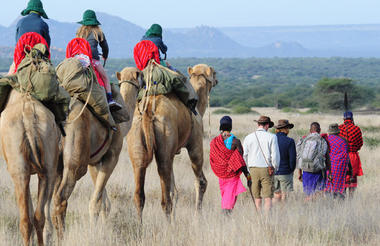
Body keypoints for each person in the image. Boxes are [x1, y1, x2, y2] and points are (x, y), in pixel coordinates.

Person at [76, 9, 122, 111]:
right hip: (93, 61)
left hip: (79, 61)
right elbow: (105, 48)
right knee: (105, 78)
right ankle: (110, 99)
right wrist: (105, 56)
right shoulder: (98, 32)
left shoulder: (79, 32)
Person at [209, 116, 251, 214]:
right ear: (231, 127)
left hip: (221, 176)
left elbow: (213, 158)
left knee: (226, 197)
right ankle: (225, 218)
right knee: (229, 200)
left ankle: (225, 219)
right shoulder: (235, 142)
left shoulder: (214, 141)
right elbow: (240, 160)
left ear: (220, 127)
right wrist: (248, 176)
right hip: (232, 176)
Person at [243, 116, 280, 212]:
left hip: (252, 169)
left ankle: (259, 218)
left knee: (257, 196)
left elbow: (244, 155)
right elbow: (275, 155)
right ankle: (267, 219)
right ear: (267, 125)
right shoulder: (272, 137)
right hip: (266, 169)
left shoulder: (248, 137)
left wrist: (248, 169)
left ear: (258, 124)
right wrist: (275, 167)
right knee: (268, 197)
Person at [9, 0, 50, 75]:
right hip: (38, 59)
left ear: (29, 10)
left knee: (10, 76)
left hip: (20, 59)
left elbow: (17, 43)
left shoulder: (20, 22)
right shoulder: (43, 24)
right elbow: (47, 46)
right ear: (40, 11)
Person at [297, 122, 330, 201]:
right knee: (319, 192)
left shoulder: (304, 140)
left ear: (310, 130)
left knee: (308, 192)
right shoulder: (322, 140)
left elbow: (299, 156)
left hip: (305, 170)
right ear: (320, 130)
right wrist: (330, 172)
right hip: (318, 171)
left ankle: (308, 206)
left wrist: (299, 173)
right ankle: (315, 206)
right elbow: (327, 158)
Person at [339, 111, 363, 196]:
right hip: (353, 156)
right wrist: (355, 149)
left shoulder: (340, 128)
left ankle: (342, 197)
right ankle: (351, 200)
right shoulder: (356, 129)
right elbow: (360, 143)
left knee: (343, 177)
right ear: (352, 118)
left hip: (342, 156)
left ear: (344, 119)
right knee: (352, 178)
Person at [273, 119, 296, 203]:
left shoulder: (272, 139)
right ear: (285, 129)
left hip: (273, 171)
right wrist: (291, 170)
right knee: (285, 195)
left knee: (276, 194)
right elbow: (292, 159)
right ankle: (283, 213)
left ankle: (275, 212)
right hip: (286, 171)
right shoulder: (290, 141)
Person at [325, 123, 350, 199]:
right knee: (340, 184)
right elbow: (347, 155)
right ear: (338, 131)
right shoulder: (344, 140)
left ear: (329, 131)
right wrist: (350, 169)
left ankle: (329, 203)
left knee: (328, 185)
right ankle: (340, 205)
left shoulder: (326, 140)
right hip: (340, 167)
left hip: (328, 167)